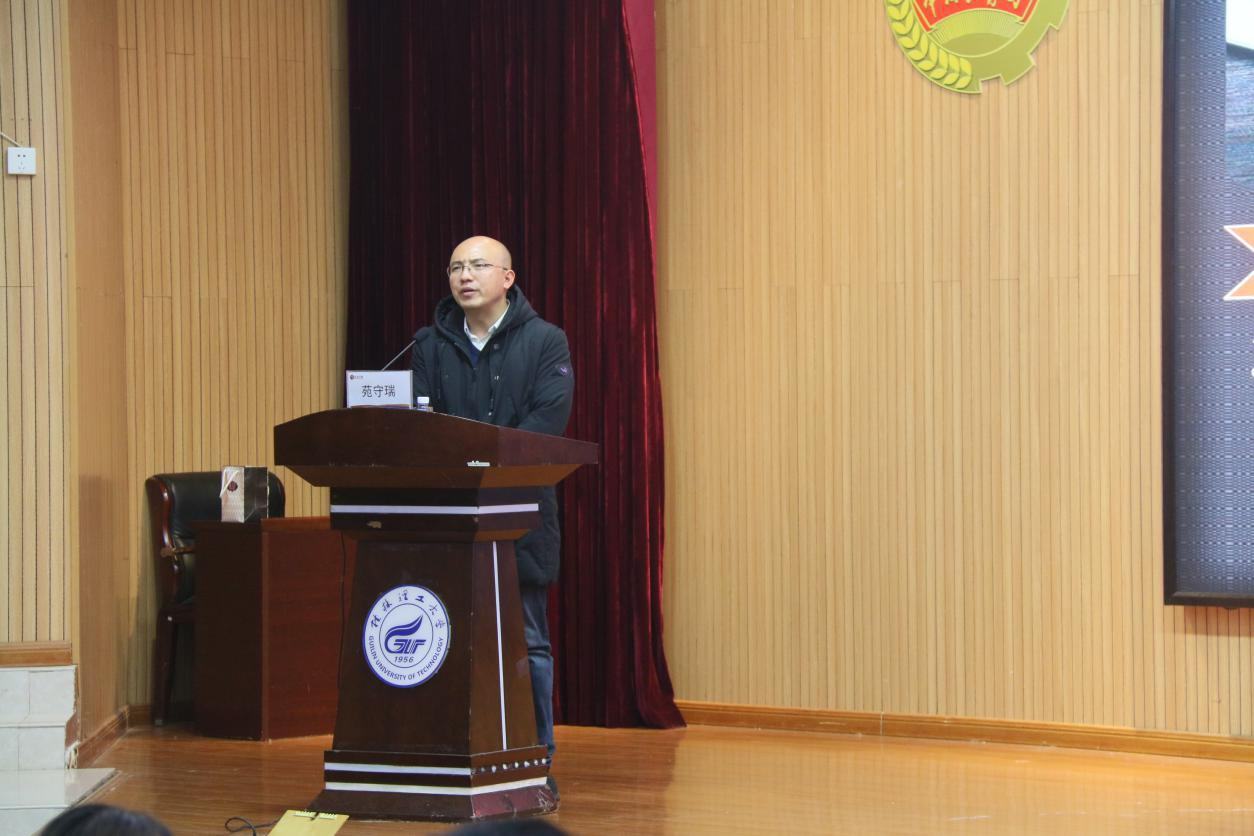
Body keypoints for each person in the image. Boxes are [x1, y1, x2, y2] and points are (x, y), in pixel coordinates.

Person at [410, 235, 574, 788]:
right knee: (446, 637)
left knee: (528, 642)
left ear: (508, 278)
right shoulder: (428, 344)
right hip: (447, 515)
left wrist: (484, 463)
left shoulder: (546, 341)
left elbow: (547, 422)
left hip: (520, 511)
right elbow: (420, 427)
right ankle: (448, 757)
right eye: (456, 266)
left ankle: (535, 763)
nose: (465, 275)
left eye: (478, 265)